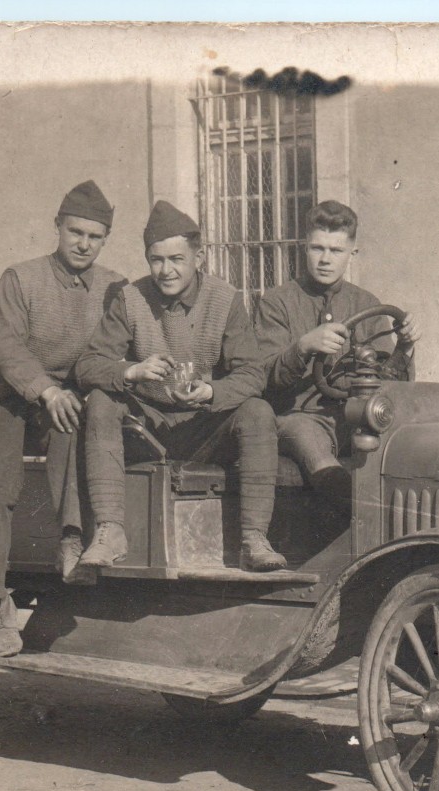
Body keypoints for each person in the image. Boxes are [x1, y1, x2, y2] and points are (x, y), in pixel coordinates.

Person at [72, 200, 287, 576]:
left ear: (198, 257)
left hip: (204, 427)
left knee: (258, 412)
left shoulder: (225, 299)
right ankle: (110, 531)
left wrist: (211, 392)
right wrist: (133, 370)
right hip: (147, 430)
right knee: (103, 401)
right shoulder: (131, 298)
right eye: (156, 260)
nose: (166, 270)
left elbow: (253, 374)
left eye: (176, 259)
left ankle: (254, 539)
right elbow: (89, 365)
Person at [0, 180, 124, 656]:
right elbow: (8, 349)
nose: (83, 244)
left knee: (85, 426)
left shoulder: (115, 287)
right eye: (75, 232)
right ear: (57, 227)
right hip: (7, 396)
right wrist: (46, 389)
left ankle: (71, 543)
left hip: (66, 400)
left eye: (95, 237)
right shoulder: (21, 278)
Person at [256, 200, 421, 500]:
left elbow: (388, 383)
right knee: (311, 443)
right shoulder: (276, 303)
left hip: (354, 416)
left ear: (352, 253)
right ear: (304, 247)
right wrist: (303, 346)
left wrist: (405, 347)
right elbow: (264, 377)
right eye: (318, 248)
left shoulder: (367, 304)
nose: (325, 260)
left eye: (336, 251)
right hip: (298, 417)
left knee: (408, 442)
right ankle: (353, 515)